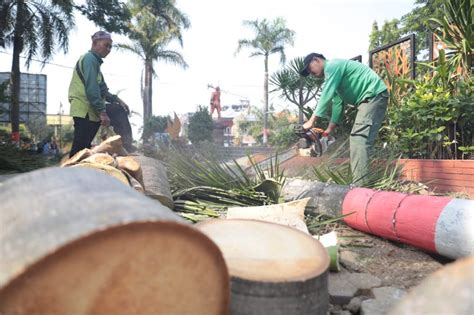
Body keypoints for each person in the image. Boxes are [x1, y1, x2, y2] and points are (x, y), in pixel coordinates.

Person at [300, 53, 389, 185]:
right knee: (361, 139)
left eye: (309, 68)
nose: (310, 73)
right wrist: (328, 131)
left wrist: (311, 121)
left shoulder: (332, 66)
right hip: (370, 98)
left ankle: (361, 186)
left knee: (359, 138)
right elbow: (338, 105)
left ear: (316, 60)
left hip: (373, 95)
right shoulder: (334, 76)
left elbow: (326, 94)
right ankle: (363, 181)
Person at [68, 31, 134, 157]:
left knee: (118, 110)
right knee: (80, 149)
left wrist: (118, 99)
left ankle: (126, 147)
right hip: (85, 109)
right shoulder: (89, 59)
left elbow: (102, 90)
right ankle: (69, 173)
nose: (108, 49)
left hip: (91, 108)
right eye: (106, 45)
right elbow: (92, 89)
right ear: (94, 43)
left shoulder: (96, 64)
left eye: (110, 47)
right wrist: (102, 113)